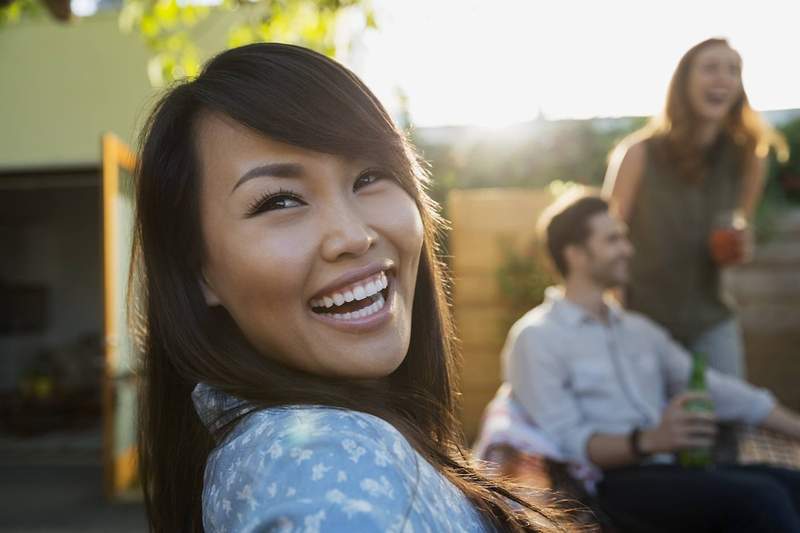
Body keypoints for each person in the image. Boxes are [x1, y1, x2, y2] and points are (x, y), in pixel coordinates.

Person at [133, 43, 570, 532]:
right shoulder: (322, 471)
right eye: (279, 201)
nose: (353, 236)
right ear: (200, 273)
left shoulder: (334, 443)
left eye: (369, 176)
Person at [502, 190, 800, 532]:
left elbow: (722, 392)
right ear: (576, 254)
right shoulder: (536, 337)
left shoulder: (640, 331)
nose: (628, 250)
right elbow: (569, 442)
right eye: (613, 240)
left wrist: (796, 429)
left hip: (674, 473)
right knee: (762, 498)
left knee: (791, 484)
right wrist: (648, 440)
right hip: (606, 487)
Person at [602, 37, 787, 378]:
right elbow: (604, 240)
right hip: (643, 322)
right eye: (711, 68)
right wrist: (620, 317)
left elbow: (739, 231)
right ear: (684, 81)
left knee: (727, 423)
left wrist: (740, 246)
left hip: (711, 320)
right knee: (653, 425)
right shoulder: (638, 154)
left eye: (733, 70)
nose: (723, 79)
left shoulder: (748, 158)